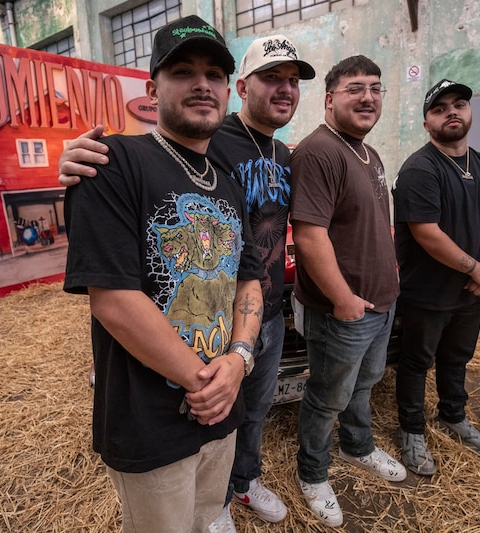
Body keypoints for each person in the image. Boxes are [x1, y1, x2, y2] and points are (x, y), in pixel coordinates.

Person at [60, 34, 317, 530]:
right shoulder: (113, 163)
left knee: (210, 516)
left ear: (227, 90)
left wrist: (238, 362)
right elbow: (112, 300)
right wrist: (207, 384)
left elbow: (248, 275)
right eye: (182, 72)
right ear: (151, 91)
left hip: (222, 400)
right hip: (151, 415)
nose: (202, 85)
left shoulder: (226, 178)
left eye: (213, 75)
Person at [289, 55, 406, 528]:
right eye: (355, 88)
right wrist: (343, 300)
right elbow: (309, 236)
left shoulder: (367, 152)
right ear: (330, 98)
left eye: (376, 88)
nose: (368, 97)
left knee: (364, 383)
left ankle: (358, 447)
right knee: (326, 396)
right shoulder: (319, 151)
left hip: (380, 303)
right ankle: (312, 472)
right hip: (345, 311)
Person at [391, 79, 480, 476]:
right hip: (428, 291)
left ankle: (453, 416)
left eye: (459, 104)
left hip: (473, 290)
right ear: (427, 122)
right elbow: (427, 233)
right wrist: (477, 269)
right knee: (416, 361)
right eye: (440, 108)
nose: (452, 112)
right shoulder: (420, 168)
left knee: (457, 357)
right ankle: (410, 430)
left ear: (472, 112)